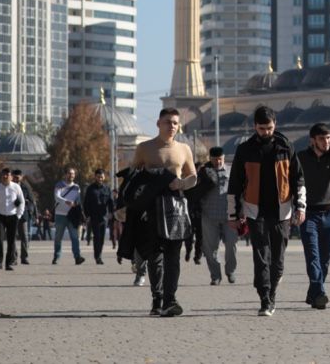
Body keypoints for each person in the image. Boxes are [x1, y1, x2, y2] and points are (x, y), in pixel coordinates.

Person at [228, 105, 306, 317]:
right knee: (261, 255)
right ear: (255, 126)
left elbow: (298, 179)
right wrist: (233, 214)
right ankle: (265, 298)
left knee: (278, 259)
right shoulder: (245, 150)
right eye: (262, 128)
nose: (266, 132)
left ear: (275, 125)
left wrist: (300, 207)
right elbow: (235, 184)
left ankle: (272, 290)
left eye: (269, 128)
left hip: (282, 210)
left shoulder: (286, 147)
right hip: (255, 211)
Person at [122, 107, 199, 317]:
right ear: (158, 124)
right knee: (155, 255)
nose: (171, 126)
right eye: (167, 122)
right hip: (151, 207)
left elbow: (193, 176)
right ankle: (157, 298)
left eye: (175, 123)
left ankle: (170, 299)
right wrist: (126, 204)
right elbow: (132, 176)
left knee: (173, 255)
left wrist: (181, 183)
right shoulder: (145, 148)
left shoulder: (184, 148)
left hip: (175, 206)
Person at [295, 122, 330, 309]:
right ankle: (320, 293)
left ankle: (314, 291)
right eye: (322, 139)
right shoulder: (301, 157)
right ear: (312, 140)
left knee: (325, 259)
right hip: (309, 213)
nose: (326, 142)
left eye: (328, 138)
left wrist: (329, 144)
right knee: (313, 255)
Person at [195, 146, 238, 287]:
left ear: (223, 158)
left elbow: (240, 192)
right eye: (214, 159)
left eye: (220, 159)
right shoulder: (203, 172)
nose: (218, 162)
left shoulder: (232, 171)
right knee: (210, 249)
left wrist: (240, 212)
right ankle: (215, 276)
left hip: (229, 216)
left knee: (231, 245)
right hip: (209, 216)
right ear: (210, 158)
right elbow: (195, 191)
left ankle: (230, 270)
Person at [0, 167, 25, 271]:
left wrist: (18, 215)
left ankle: (8, 263)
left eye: (7, 174)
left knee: (11, 241)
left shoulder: (16, 187)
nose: (5, 176)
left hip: (12, 216)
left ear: (11, 177)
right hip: (0, 216)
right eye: (3, 174)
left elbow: (22, 202)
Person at [52, 167, 85, 265]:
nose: (71, 175)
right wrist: (66, 202)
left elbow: (78, 200)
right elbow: (57, 197)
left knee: (75, 237)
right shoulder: (59, 185)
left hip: (72, 216)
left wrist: (78, 208)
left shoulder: (76, 187)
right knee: (58, 237)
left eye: (73, 174)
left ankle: (77, 257)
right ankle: (56, 257)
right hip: (60, 215)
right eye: (69, 173)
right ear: (65, 174)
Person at [82, 169, 114, 264]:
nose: (100, 179)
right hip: (94, 216)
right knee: (97, 237)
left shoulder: (107, 188)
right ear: (95, 177)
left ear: (104, 177)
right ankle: (98, 257)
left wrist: (111, 212)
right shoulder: (90, 189)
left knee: (102, 238)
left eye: (101, 177)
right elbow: (86, 203)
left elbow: (110, 202)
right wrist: (87, 215)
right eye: (98, 177)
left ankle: (99, 254)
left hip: (104, 217)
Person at [10, 170, 35, 264]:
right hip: (11, 214)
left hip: (23, 215)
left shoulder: (26, 187)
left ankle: (24, 257)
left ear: (21, 177)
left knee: (24, 236)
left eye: (17, 177)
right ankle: (14, 258)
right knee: (12, 237)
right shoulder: (9, 187)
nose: (16, 179)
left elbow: (32, 200)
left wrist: (28, 207)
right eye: (14, 177)